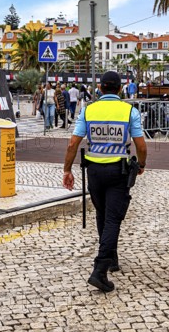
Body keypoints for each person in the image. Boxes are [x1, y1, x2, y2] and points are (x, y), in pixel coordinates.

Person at [62, 71, 148, 292]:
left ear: (100, 89)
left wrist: (67, 170)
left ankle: (111, 257)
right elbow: (141, 145)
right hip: (117, 171)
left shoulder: (89, 110)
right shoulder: (130, 111)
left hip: (94, 171)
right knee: (113, 218)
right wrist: (141, 165)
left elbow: (73, 144)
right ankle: (100, 269)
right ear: (120, 89)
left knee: (102, 214)